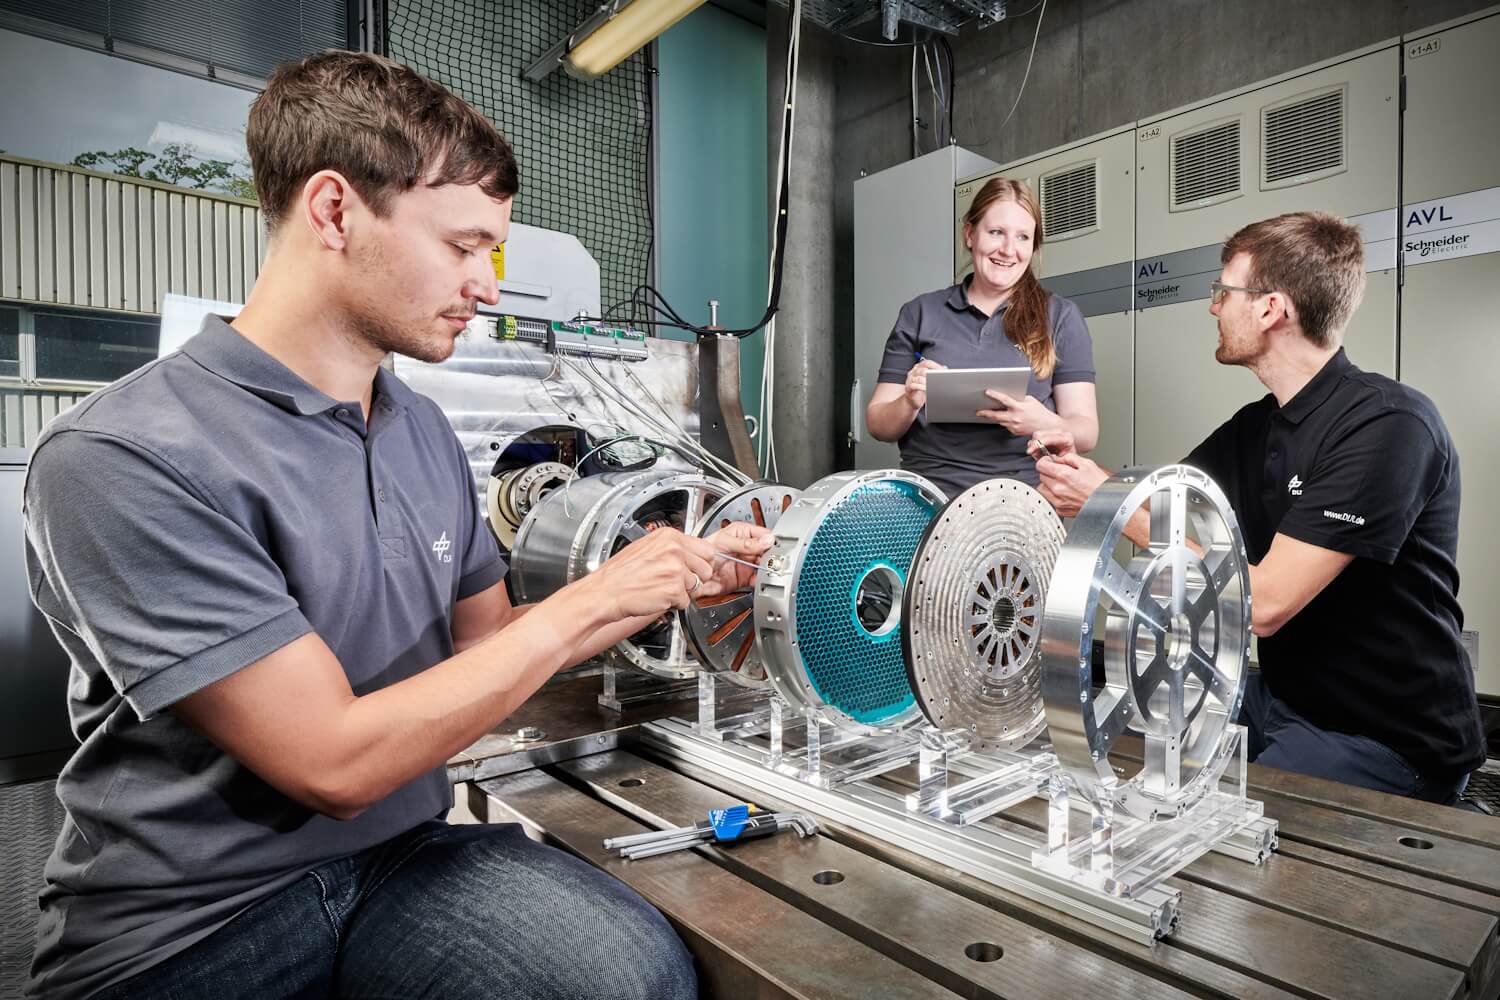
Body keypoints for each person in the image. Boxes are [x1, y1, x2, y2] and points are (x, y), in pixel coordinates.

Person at [22, 50, 771, 999]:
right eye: (463, 247)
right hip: (194, 919)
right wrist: (601, 598)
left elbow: (491, 645)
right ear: (334, 211)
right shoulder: (125, 454)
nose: (489, 285)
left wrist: (672, 584)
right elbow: (331, 761)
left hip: (397, 858)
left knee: (631, 978)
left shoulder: (418, 430)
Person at [1032, 210, 1484, 805]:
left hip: (1385, 736)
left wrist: (1104, 503)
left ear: (1272, 309)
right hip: (1287, 698)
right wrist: (1076, 464)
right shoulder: (1260, 426)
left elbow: (1265, 604)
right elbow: (1159, 498)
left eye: (1223, 291)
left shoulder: (1389, 426)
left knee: (1216, 823)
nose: (1213, 306)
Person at [864, 177, 1098, 499]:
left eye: (1022, 237)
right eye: (996, 232)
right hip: (925, 500)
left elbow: (1086, 430)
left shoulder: (1061, 317)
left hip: (1022, 501)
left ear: (1033, 246)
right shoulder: (919, 313)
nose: (1008, 250)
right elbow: (878, 424)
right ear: (970, 234)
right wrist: (910, 400)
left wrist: (1044, 421)